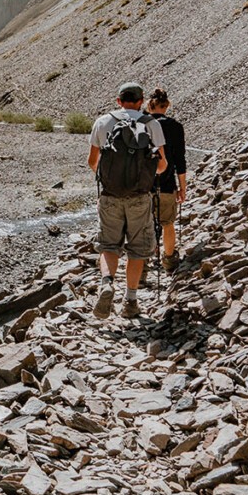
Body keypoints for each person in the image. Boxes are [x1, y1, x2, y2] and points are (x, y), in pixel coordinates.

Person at [87, 83, 167, 319]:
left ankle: (107, 283)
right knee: (137, 247)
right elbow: (162, 165)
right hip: (140, 197)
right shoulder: (151, 124)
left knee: (109, 244)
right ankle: (130, 301)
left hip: (110, 195)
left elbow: (93, 161)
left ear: (118, 100)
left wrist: (109, 180)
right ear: (142, 101)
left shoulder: (102, 122)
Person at [146, 88, 187, 272]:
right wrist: (182, 187)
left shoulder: (140, 124)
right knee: (168, 223)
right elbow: (180, 160)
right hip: (167, 183)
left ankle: (143, 266)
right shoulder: (176, 127)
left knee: (143, 224)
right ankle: (169, 262)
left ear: (149, 105)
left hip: (143, 185)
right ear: (167, 106)